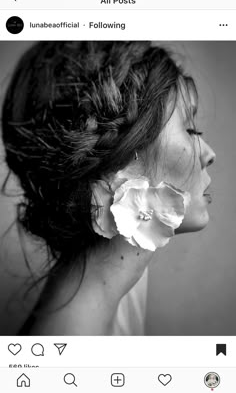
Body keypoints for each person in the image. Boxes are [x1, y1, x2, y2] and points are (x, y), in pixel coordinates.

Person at [1, 41, 216, 335]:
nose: (209, 153)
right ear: (121, 160)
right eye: (190, 129)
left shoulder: (125, 292)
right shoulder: (70, 342)